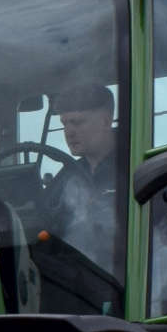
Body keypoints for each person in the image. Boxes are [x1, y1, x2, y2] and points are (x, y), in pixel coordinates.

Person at [42, 84, 123, 275]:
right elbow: (43, 222)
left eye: (77, 122)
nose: (69, 132)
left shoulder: (133, 166)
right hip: (72, 279)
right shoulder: (68, 175)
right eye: (64, 124)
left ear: (105, 120)